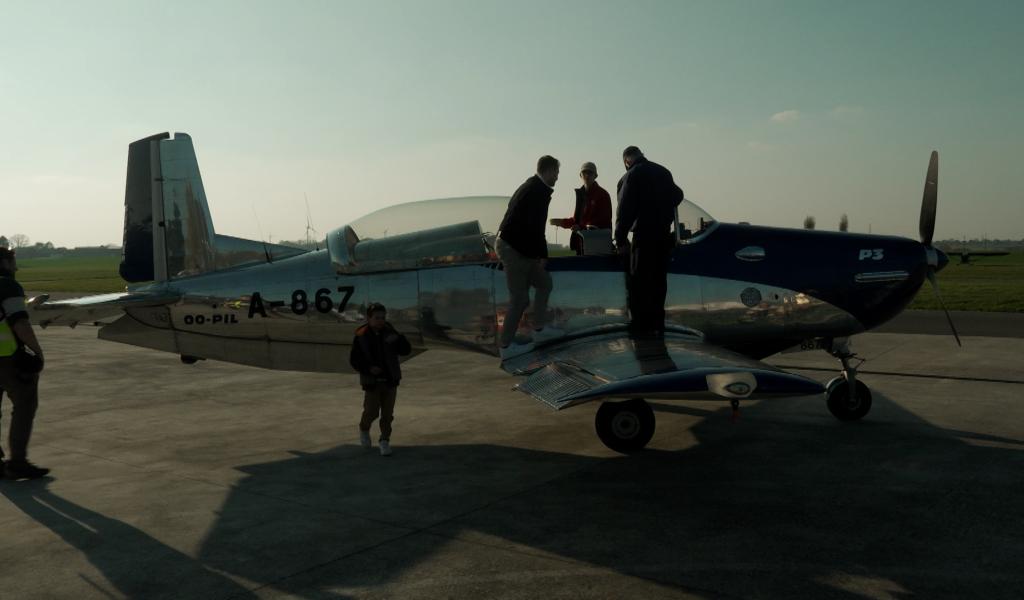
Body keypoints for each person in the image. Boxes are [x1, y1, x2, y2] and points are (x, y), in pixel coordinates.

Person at [496, 155, 564, 358]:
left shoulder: (535, 187)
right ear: (549, 170)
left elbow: (534, 227)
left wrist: (538, 254)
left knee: (544, 283)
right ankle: (506, 347)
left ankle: (539, 329)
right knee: (520, 299)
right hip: (512, 249)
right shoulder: (536, 191)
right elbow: (536, 226)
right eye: (557, 173)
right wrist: (542, 255)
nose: (558, 177)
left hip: (523, 249)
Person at [614, 146, 684, 336]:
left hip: (643, 238)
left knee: (640, 283)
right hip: (663, 236)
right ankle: (658, 326)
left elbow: (625, 210)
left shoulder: (632, 175)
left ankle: (641, 327)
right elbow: (679, 195)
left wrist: (620, 239)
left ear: (626, 161)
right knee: (659, 283)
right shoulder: (663, 171)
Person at [0, 246, 49, 480]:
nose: (16, 267)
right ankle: (17, 462)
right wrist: (37, 351)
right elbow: (19, 322)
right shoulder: (8, 286)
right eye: (12, 261)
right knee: (24, 407)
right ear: (5, 263)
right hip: (9, 359)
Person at [349, 303, 411, 456]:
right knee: (371, 412)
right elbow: (354, 360)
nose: (380, 321)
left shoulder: (390, 332)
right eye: (377, 318)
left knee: (387, 415)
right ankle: (364, 429)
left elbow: (405, 350)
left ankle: (384, 440)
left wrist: (398, 338)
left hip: (390, 381)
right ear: (369, 318)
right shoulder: (361, 336)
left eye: (383, 318)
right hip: (372, 382)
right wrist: (369, 369)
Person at [549, 161, 613, 255]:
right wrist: (562, 222)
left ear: (595, 176)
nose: (587, 175)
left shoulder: (603, 195)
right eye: (584, 172)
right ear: (580, 175)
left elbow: (603, 221)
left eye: (590, 173)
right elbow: (577, 220)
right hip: (581, 244)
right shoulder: (581, 195)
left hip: (597, 246)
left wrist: (581, 227)